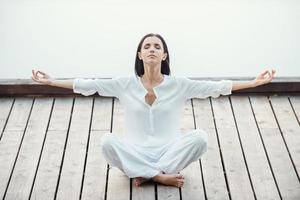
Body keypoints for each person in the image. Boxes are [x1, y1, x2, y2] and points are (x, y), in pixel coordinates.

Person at [31, 33, 276, 188]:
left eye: (157, 46)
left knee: (200, 138)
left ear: (164, 55)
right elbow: (89, 85)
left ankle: (145, 175)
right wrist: (51, 82)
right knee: (107, 142)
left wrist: (254, 83)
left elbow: (217, 87)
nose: (151, 49)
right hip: (134, 151)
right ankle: (158, 176)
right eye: (146, 46)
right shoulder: (124, 84)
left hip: (169, 152)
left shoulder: (179, 85)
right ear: (139, 54)